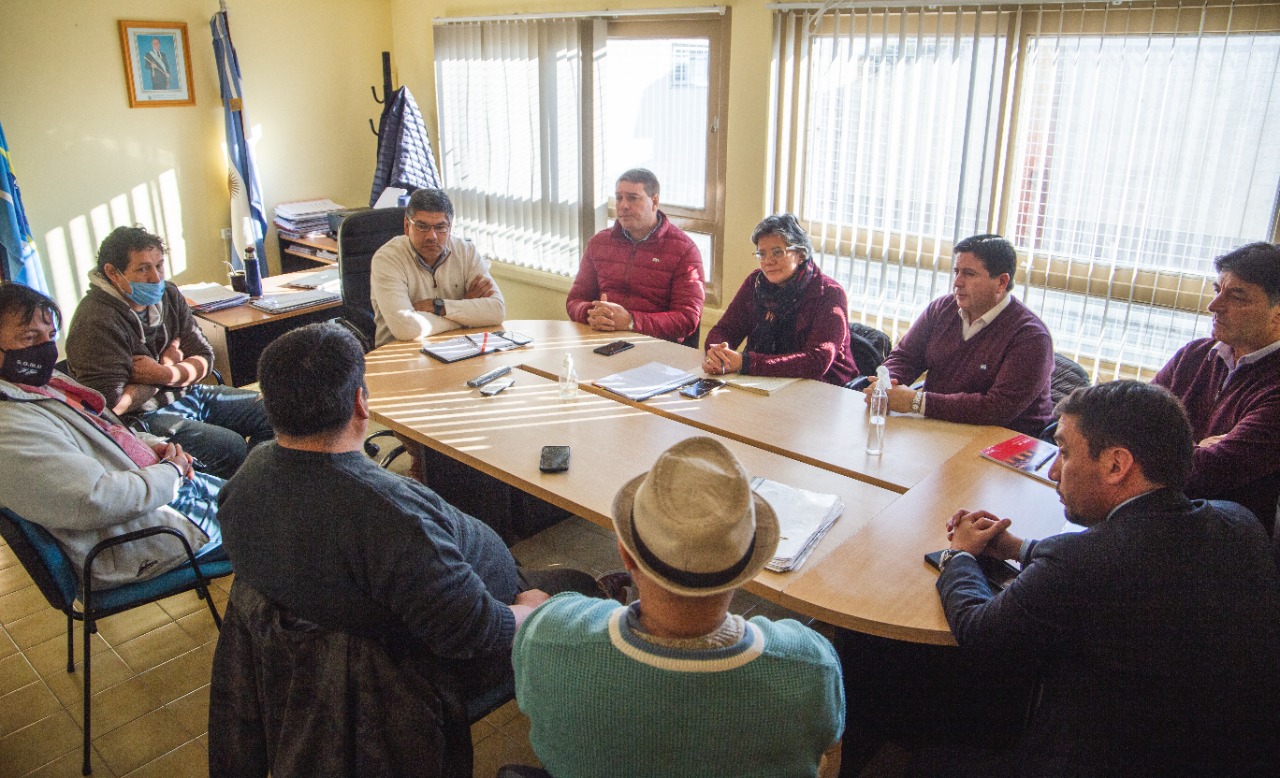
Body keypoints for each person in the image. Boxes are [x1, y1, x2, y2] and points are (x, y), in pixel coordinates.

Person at [216, 322, 612, 718]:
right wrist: (531, 612)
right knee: (579, 587)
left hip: (354, 642)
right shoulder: (391, 519)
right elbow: (479, 632)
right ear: (361, 403)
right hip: (435, 663)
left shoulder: (246, 477)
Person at [935, 381, 1280, 774]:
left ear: (1117, 465)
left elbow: (981, 633)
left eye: (1064, 452)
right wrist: (1017, 548)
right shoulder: (1237, 521)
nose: (1052, 471)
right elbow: (1133, 559)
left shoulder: (1083, 561)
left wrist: (958, 555)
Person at [514, 436, 845, 778]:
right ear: (748, 568)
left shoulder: (547, 634)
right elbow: (824, 753)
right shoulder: (810, 665)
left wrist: (541, 611)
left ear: (625, 553)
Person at [0, 283, 223, 588]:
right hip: (136, 539)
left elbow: (104, 434)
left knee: (272, 496)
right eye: (29, 338)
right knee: (283, 520)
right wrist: (170, 474)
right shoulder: (9, 426)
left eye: (50, 336)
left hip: (153, 499)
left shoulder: (40, 385)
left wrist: (154, 447)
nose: (46, 348)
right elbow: (93, 500)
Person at [64, 225, 273, 479]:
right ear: (112, 273)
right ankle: (229, 499)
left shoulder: (169, 294)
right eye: (143, 269)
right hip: (141, 417)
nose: (155, 278)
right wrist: (165, 373)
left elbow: (204, 357)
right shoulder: (96, 321)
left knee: (277, 411)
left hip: (188, 391)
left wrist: (163, 372)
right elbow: (111, 406)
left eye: (159, 265)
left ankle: (259, 485)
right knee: (229, 447)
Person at [865, 234, 1054, 437]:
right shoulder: (941, 309)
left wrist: (916, 402)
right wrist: (887, 383)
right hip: (941, 428)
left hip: (1005, 442)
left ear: (1001, 282)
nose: (957, 282)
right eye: (956, 272)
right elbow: (905, 357)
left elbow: (997, 408)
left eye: (969, 274)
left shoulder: (1031, 336)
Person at [1152, 241, 1280, 533]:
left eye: (1237, 296)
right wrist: (1199, 448)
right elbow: (1129, 417)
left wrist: (1154, 446)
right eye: (1217, 290)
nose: (1214, 306)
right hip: (1155, 512)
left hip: (1219, 535)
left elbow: (1210, 473)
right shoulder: (1195, 354)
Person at [703, 213, 857, 385]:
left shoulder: (828, 293)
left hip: (823, 388)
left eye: (777, 252)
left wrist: (746, 362)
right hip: (765, 381)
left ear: (800, 254)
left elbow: (816, 361)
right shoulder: (755, 283)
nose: (768, 261)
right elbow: (724, 330)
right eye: (762, 254)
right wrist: (718, 354)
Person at [566, 168, 704, 346]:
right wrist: (590, 313)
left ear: (654, 202)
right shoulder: (599, 243)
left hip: (656, 349)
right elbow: (575, 300)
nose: (623, 205)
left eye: (633, 198)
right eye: (619, 198)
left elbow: (687, 318)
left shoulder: (684, 251)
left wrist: (631, 321)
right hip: (602, 342)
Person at [370, 187, 504, 348]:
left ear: (450, 228)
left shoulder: (466, 252)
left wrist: (437, 306)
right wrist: (465, 315)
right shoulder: (387, 259)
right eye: (422, 226)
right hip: (400, 353)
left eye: (440, 227)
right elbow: (405, 328)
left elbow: (497, 311)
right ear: (406, 226)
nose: (431, 236)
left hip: (457, 348)